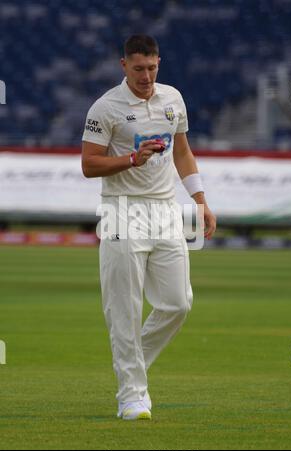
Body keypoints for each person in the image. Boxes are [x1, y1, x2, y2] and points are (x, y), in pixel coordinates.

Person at [81, 35, 216, 420]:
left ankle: (130, 367)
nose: (146, 75)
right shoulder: (106, 107)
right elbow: (89, 165)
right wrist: (130, 160)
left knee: (177, 303)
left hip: (164, 209)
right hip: (121, 210)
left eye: (152, 67)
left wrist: (200, 199)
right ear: (123, 65)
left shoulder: (172, 99)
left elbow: (183, 151)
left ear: (159, 63)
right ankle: (132, 396)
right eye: (138, 68)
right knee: (123, 308)